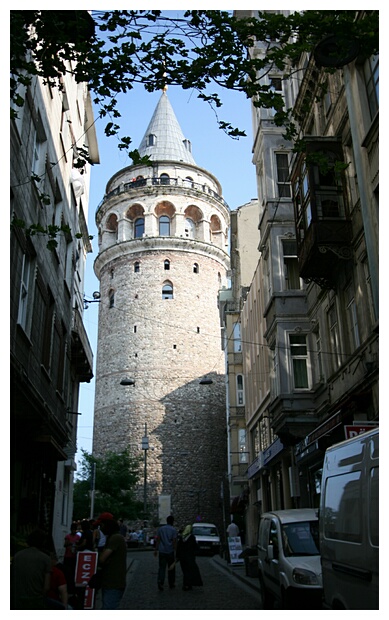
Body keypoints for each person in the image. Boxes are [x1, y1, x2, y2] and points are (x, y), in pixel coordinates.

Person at [10, 528, 51, 610]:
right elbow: (46, 587)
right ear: (43, 542)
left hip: (17, 600)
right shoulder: (45, 558)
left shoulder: (17, 555)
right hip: (36, 600)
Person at [96, 512, 127, 610]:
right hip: (109, 581)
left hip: (113, 582)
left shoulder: (115, 538)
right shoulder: (112, 538)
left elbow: (102, 558)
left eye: (101, 525)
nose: (100, 528)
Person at [176, 525, 203, 591]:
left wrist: (177, 556)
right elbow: (194, 546)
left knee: (185, 571)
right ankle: (188, 584)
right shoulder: (191, 537)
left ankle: (186, 584)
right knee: (190, 570)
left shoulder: (182, 537)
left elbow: (178, 547)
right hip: (190, 557)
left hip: (182, 557)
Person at [154, 515, 177, 591]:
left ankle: (160, 581)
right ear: (172, 522)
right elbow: (174, 541)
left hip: (162, 551)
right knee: (171, 568)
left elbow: (158, 540)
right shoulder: (173, 530)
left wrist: (156, 549)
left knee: (162, 567)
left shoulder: (161, 529)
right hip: (170, 551)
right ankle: (171, 583)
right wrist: (175, 550)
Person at [63, 522, 79, 596]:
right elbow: (65, 544)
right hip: (68, 556)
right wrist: (70, 543)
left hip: (74, 556)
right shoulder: (68, 536)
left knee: (73, 572)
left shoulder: (78, 537)